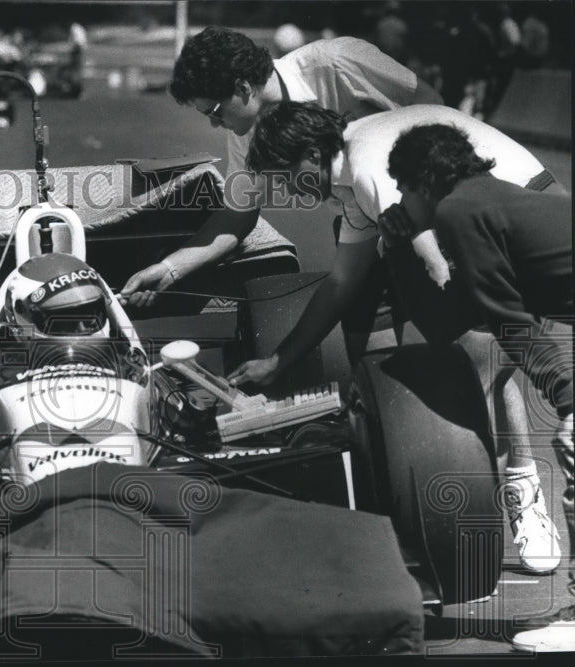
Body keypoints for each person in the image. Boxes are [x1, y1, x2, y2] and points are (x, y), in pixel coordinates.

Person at [233, 101, 564, 575]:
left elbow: (437, 266)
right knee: (448, 337)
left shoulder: (369, 166)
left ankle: (522, 491)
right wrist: (279, 361)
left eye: (284, 177)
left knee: (476, 354)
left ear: (310, 154)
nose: (286, 191)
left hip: (524, 211)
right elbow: (340, 284)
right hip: (499, 210)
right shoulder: (353, 184)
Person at [382, 124, 573, 652]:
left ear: (424, 182)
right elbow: (452, 323)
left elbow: (507, 320)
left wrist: (567, 396)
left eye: (401, 186)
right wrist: (399, 247)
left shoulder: (459, 211)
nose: (399, 198)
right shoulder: (483, 203)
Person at [118, 26, 443, 308]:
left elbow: (433, 106)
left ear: (243, 87)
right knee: (366, 332)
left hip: (431, 204)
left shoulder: (336, 62)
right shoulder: (245, 132)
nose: (216, 125)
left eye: (215, 112)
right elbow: (237, 215)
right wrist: (169, 267)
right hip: (363, 225)